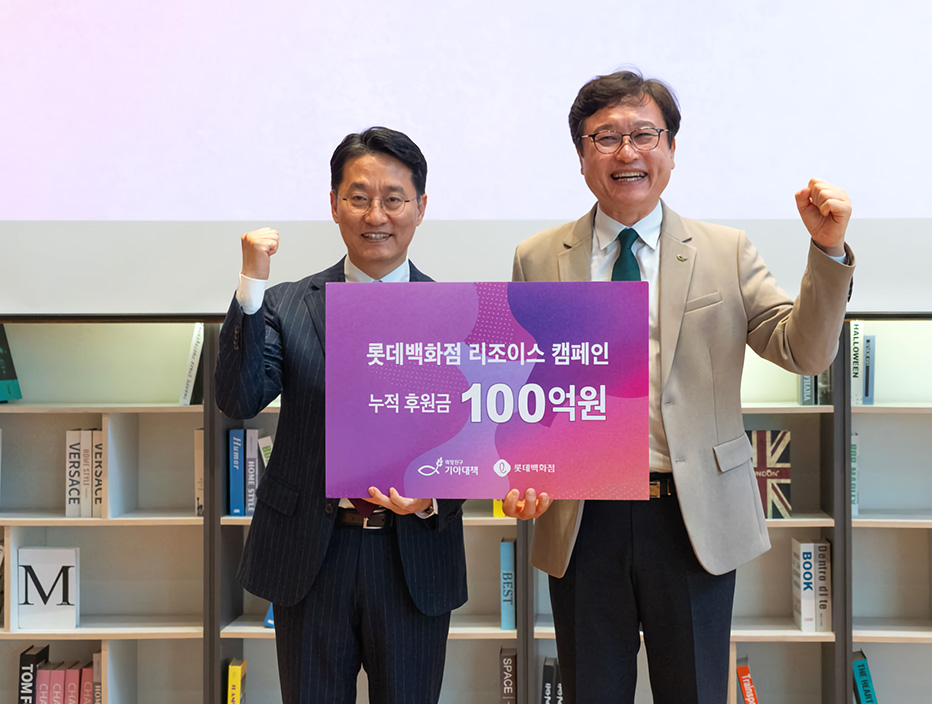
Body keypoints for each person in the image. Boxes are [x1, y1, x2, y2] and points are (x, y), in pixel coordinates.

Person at [503, 70, 856, 703]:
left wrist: (826, 253)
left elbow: (803, 351)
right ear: (581, 155)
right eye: (606, 137)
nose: (627, 151)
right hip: (584, 518)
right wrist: (520, 470)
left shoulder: (726, 250)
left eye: (645, 134)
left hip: (692, 516)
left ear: (670, 148)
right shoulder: (538, 257)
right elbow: (526, 386)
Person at [216, 126, 467, 704]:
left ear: (421, 207)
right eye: (358, 197)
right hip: (311, 556)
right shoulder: (286, 304)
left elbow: (472, 439)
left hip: (412, 557)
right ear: (334, 204)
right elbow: (239, 397)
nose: (376, 215)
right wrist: (252, 283)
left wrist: (432, 497)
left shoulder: (458, 314)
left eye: (394, 198)